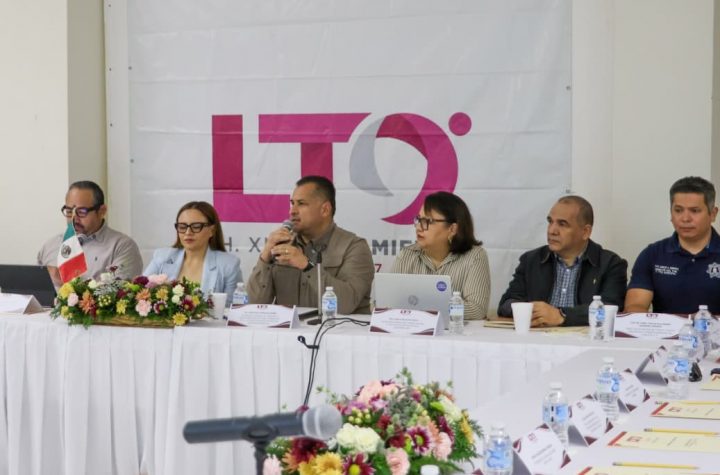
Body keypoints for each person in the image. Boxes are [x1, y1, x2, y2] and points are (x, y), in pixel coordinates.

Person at [246, 176, 375, 314]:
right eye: (292, 203)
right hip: (289, 328)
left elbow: (346, 305)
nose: (292, 211)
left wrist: (307, 266)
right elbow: (253, 307)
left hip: (337, 328)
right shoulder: (281, 245)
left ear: (325, 209)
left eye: (301, 203)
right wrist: (265, 257)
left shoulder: (354, 247)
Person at [497, 195, 627, 327]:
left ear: (585, 232)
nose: (552, 231)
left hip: (583, 337)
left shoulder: (610, 264)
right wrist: (530, 311)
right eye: (550, 222)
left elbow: (611, 308)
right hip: (537, 335)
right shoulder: (531, 260)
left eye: (562, 224)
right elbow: (506, 303)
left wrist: (562, 315)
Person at [625, 176, 720, 314]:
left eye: (694, 211)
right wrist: (679, 323)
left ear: (713, 214)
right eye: (678, 210)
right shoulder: (652, 254)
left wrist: (704, 322)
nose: (685, 219)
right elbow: (634, 307)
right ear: (671, 212)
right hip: (664, 328)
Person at [390, 191, 490, 320]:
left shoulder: (475, 256)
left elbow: (476, 309)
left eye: (428, 221)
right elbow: (389, 302)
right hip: (413, 329)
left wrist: (425, 307)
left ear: (452, 229)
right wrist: (437, 308)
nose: (419, 227)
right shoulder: (407, 255)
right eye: (418, 220)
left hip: (455, 332)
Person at [38, 180, 143, 282]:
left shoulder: (122, 247)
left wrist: (66, 282)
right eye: (69, 211)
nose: (74, 218)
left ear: (102, 211)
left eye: (81, 211)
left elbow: (118, 290)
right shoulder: (50, 246)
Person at [144, 201, 241, 297]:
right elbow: (140, 293)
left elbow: (235, 305)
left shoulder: (229, 265)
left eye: (196, 227)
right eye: (182, 227)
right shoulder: (162, 257)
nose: (188, 232)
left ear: (212, 230)